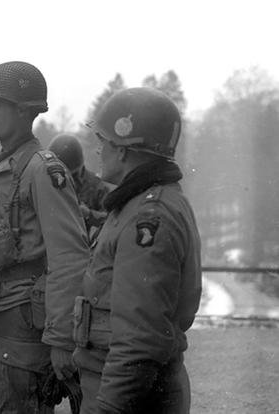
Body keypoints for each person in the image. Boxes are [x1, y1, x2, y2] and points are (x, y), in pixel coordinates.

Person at [0, 61, 90, 413]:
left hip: (19, 329)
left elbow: (69, 257)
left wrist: (61, 337)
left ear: (23, 111)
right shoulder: (5, 167)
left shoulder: (42, 169)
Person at [73, 87, 202, 413]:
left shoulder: (148, 217)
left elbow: (139, 342)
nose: (99, 150)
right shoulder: (142, 206)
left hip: (126, 398)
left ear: (125, 149)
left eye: (104, 142)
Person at [47, 134, 111, 240]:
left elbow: (113, 221)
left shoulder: (95, 186)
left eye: (72, 175)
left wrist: (89, 214)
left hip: (79, 250)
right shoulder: (44, 180)